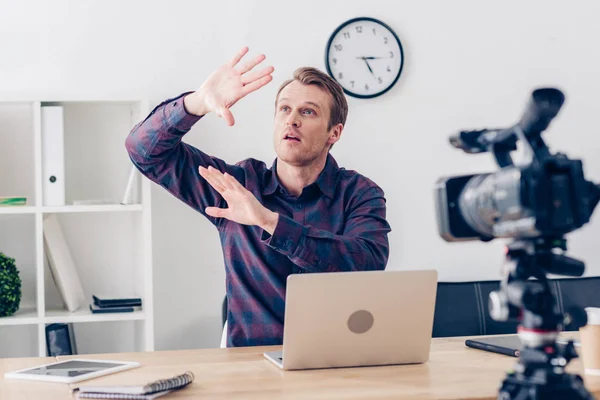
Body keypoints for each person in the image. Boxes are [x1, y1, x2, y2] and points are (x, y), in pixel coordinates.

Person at [125, 47, 392, 347]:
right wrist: (195, 103)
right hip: (250, 364)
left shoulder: (359, 194)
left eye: (308, 112)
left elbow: (366, 265)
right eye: (284, 109)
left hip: (333, 360)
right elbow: (143, 151)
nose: (292, 121)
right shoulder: (237, 186)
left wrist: (268, 221)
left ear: (334, 132)